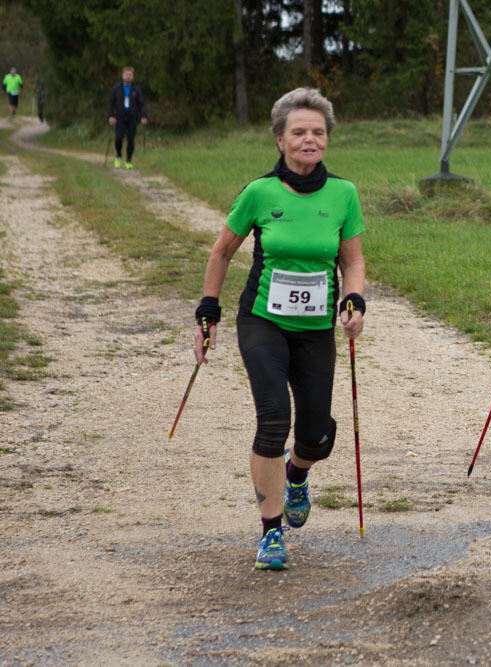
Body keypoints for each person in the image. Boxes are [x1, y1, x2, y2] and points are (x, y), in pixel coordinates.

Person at [192, 87, 366, 570]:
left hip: (315, 329)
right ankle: (271, 532)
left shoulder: (343, 193)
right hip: (263, 321)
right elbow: (221, 252)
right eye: (299, 132)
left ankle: (297, 473)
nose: (309, 139)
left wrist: (354, 299)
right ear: (280, 140)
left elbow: (352, 261)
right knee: (272, 417)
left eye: (318, 132)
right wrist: (208, 307)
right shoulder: (259, 193)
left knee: (316, 434)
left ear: (327, 138)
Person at [107, 66, 148, 169]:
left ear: (133, 77)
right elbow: (111, 103)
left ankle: (129, 160)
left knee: (131, 139)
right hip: (119, 117)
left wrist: (143, 116)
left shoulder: (136, 90)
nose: (128, 77)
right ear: (122, 76)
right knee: (118, 138)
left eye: (130, 75)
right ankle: (118, 155)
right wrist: (111, 115)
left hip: (132, 117)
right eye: (127, 75)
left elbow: (141, 104)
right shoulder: (116, 89)